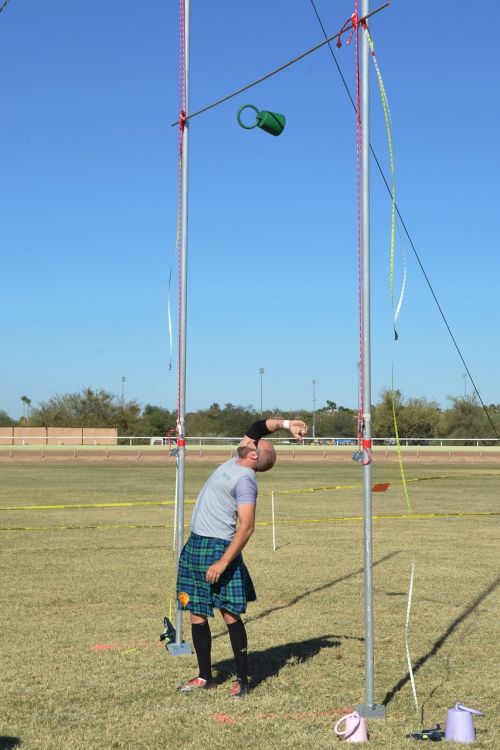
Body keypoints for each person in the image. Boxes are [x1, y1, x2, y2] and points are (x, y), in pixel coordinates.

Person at [177, 417, 308, 697]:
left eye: (255, 443)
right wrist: (287, 424)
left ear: (255, 455)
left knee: (229, 614)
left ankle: (243, 680)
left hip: (218, 548)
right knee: (197, 613)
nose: (250, 440)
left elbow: (247, 527)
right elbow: (258, 426)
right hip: (196, 544)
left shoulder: (246, 481)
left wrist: (223, 562)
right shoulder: (233, 460)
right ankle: (204, 677)